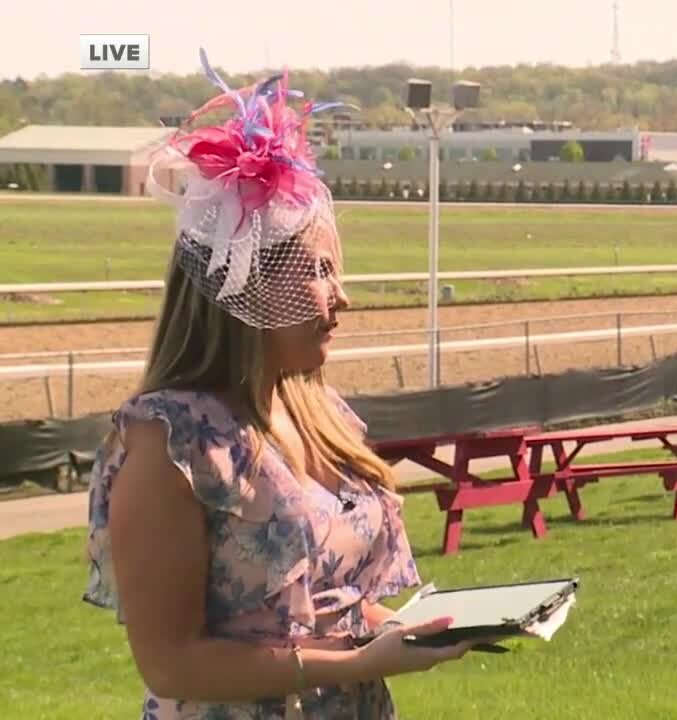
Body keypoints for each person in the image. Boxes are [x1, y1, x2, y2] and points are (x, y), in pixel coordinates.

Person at [82, 50, 484, 719]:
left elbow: (336, 605)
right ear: (245, 287)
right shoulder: (170, 443)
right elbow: (171, 661)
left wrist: (402, 629)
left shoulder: (321, 412)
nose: (342, 296)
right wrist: (356, 662)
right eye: (318, 271)